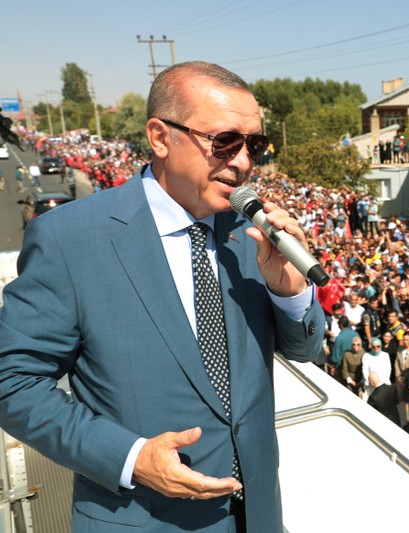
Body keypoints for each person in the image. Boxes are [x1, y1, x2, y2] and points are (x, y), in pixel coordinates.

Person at [0, 61, 325, 532]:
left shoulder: (251, 231)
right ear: (159, 137)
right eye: (224, 142)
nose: (243, 162)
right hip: (140, 518)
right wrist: (130, 458)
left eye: (254, 144)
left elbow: (305, 348)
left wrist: (290, 294)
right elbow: (14, 384)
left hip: (257, 517)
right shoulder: (69, 239)